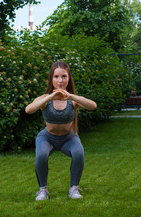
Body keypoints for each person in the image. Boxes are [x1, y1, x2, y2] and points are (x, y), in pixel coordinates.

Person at [25, 61, 97, 201]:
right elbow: (29, 110)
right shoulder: (44, 99)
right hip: (47, 138)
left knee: (79, 153)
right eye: (56, 76)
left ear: (68, 78)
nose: (60, 80)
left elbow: (93, 106)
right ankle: (43, 190)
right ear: (51, 79)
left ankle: (73, 188)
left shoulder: (72, 100)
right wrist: (50, 97)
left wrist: (71, 96)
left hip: (68, 138)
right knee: (41, 155)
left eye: (64, 76)